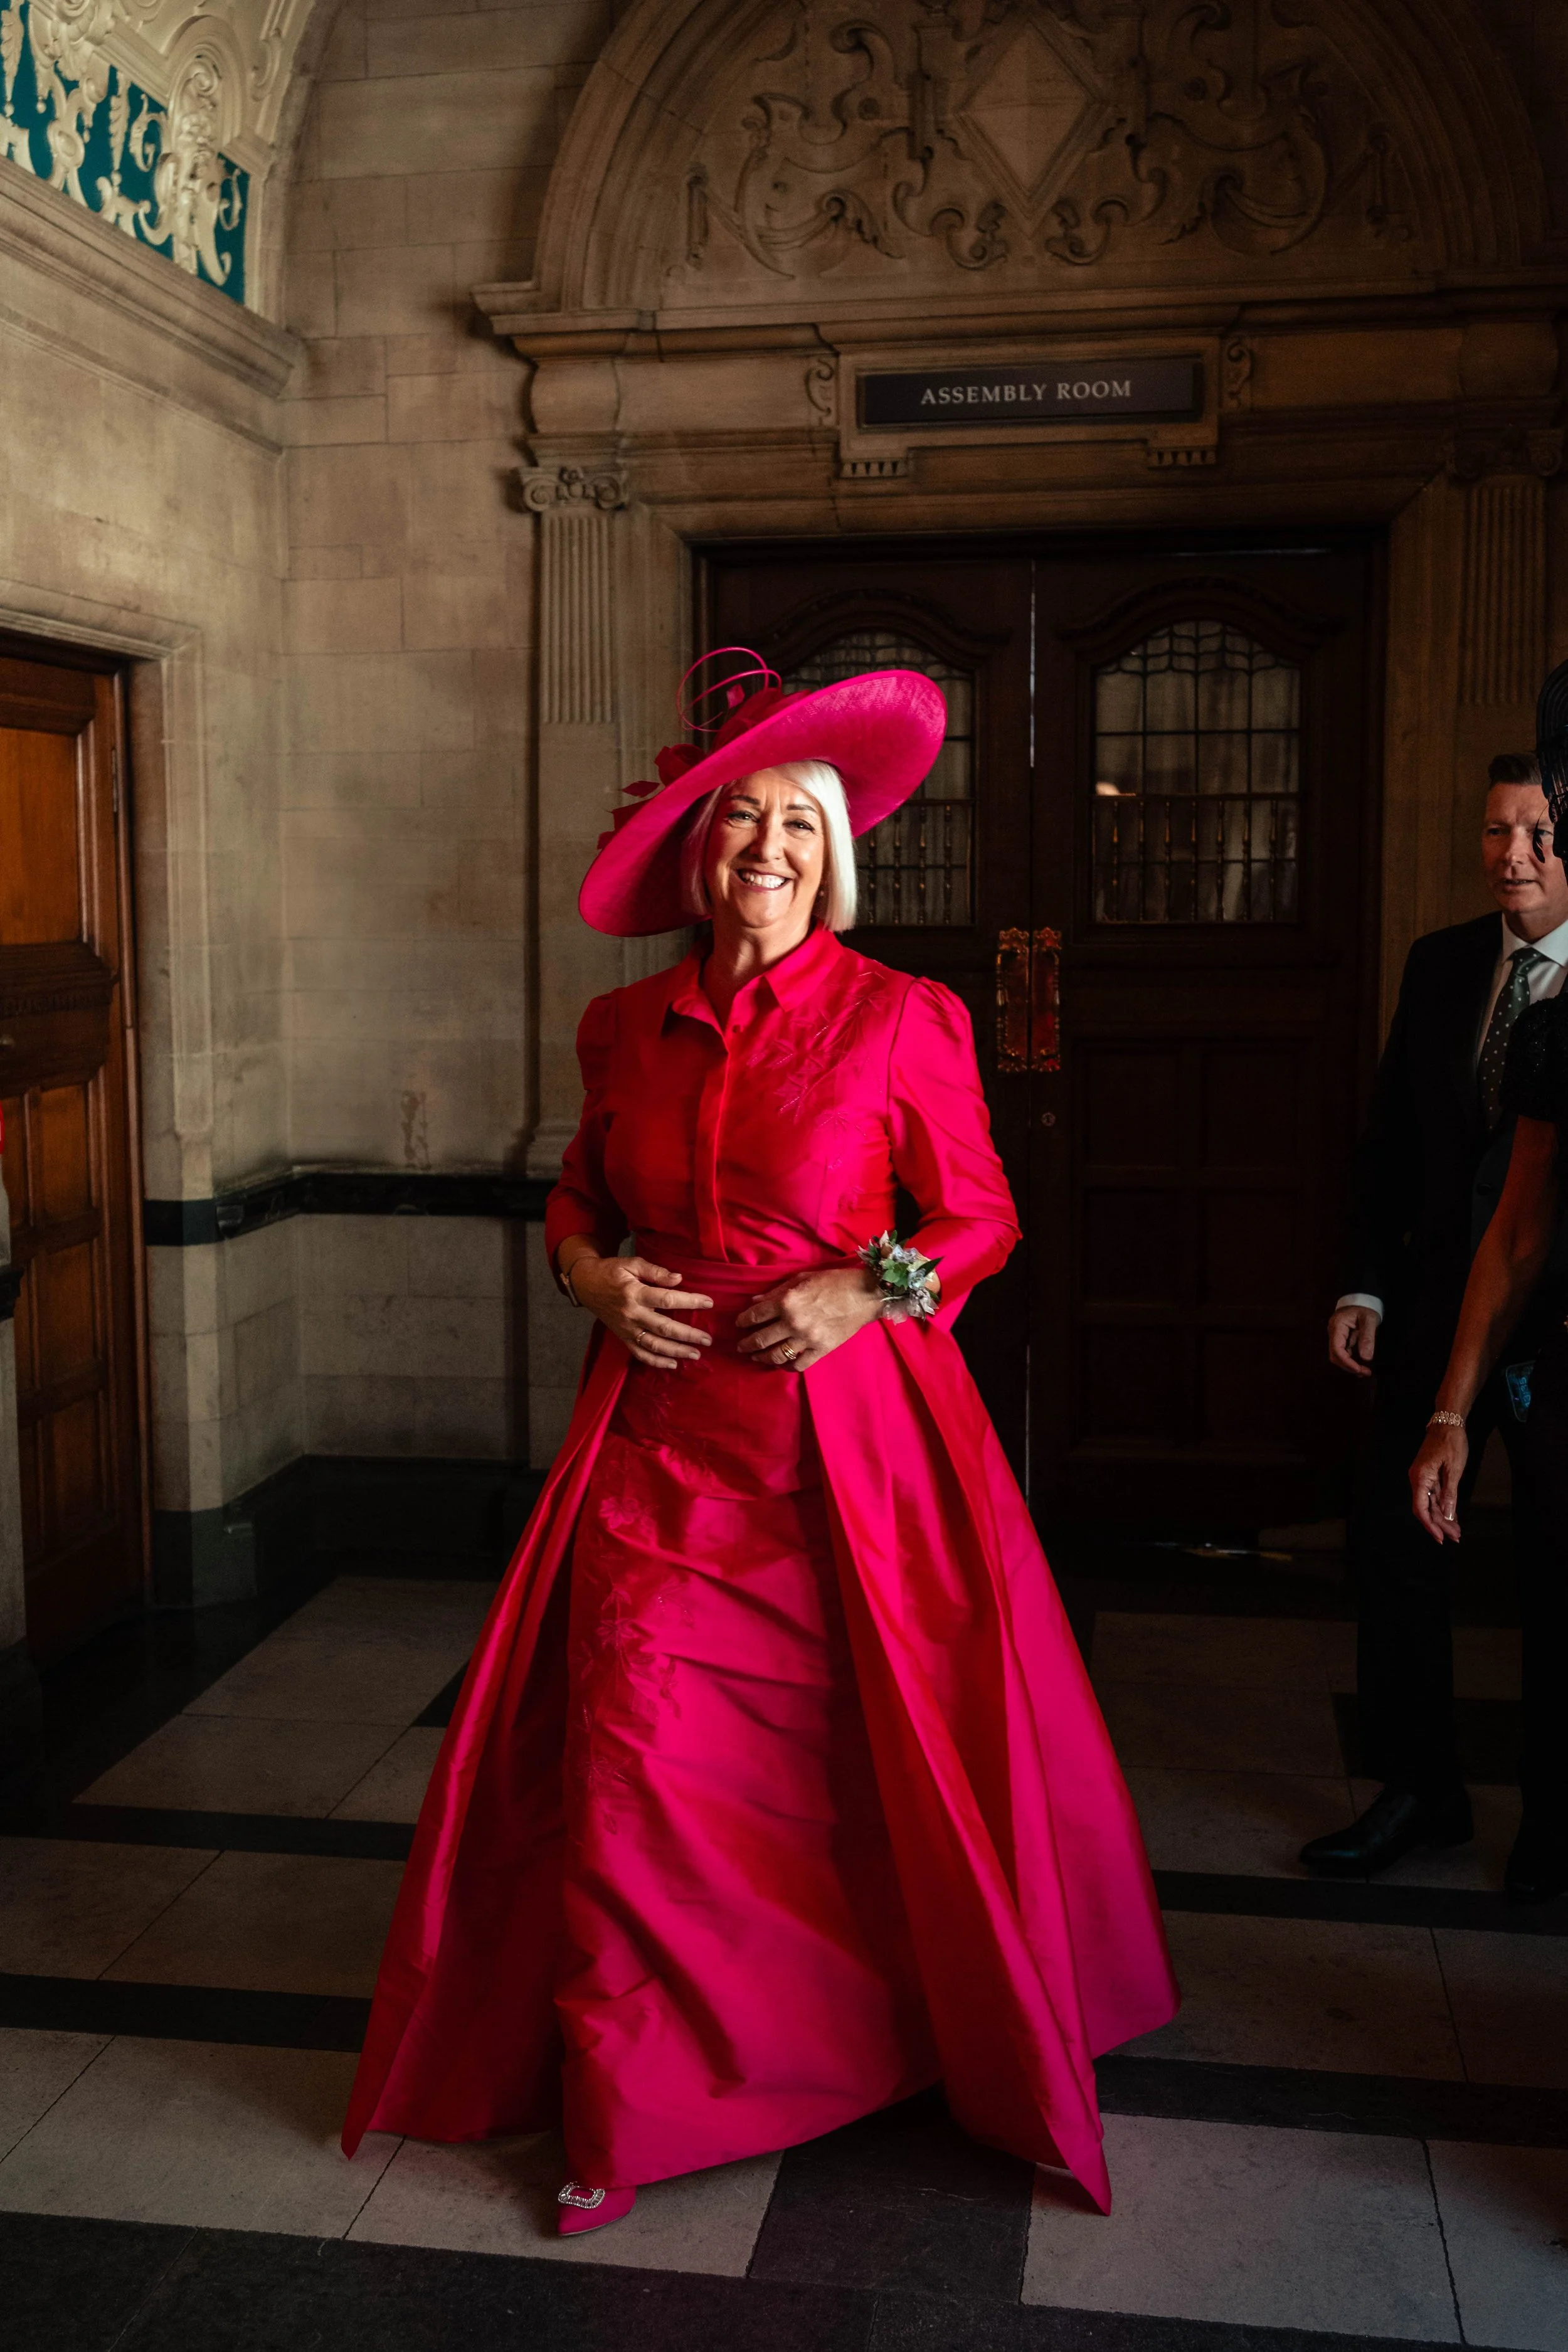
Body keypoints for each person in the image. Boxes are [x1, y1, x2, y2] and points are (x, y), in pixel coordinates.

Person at [341, 652, 1177, 2227]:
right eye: (739, 821)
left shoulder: (899, 1019)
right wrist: (590, 1275)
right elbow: (581, 1199)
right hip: (661, 1446)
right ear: (693, 852)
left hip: (852, 1453)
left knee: (849, 1776)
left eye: (798, 824)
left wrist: (867, 1287)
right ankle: (628, 2109)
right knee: (635, 1765)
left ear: (833, 854)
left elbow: (978, 1215)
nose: (769, 851)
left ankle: (871, 2034)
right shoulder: (620, 1026)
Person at [1303, 750, 1568, 1886]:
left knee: (1557, 1574)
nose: (1513, 857)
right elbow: (1390, 1149)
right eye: (1495, 832)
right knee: (1394, 1546)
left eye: (1540, 837)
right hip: (1432, 1307)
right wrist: (1365, 1282)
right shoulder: (1443, 962)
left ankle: (1556, 1823)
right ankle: (1421, 1791)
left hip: (1559, 1333)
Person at [1407, 664, 1568, 1905]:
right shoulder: (1549, 1032)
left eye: (1540, 831)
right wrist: (1451, 1412)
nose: (1514, 854)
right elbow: (1515, 1229)